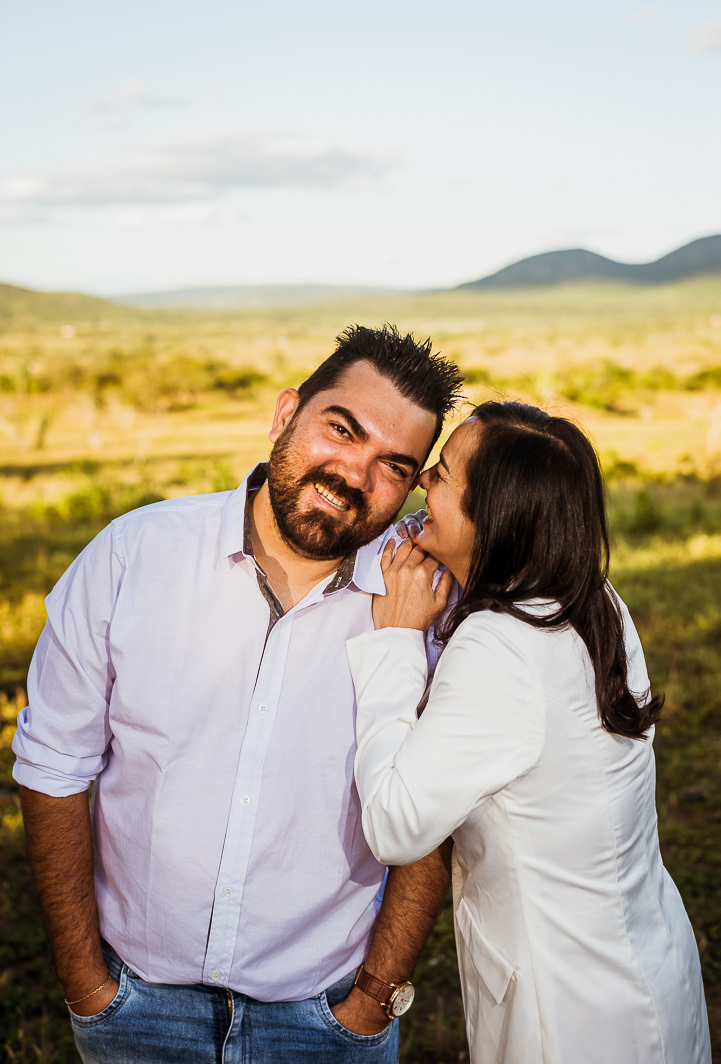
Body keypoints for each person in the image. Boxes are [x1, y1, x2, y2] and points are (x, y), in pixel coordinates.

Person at [13, 325, 464, 1064]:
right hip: (135, 1008)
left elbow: (436, 807)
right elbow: (52, 766)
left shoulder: (427, 602)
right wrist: (86, 983)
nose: (354, 474)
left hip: (326, 1017)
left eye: (393, 464)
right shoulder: (134, 556)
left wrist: (372, 998)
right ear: (285, 413)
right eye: (341, 430)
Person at [348, 401, 712, 1064]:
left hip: (568, 1017)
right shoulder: (591, 597)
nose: (423, 478)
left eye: (443, 473)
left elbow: (394, 824)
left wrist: (395, 642)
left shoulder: (501, 642)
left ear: (493, 513)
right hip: (643, 971)